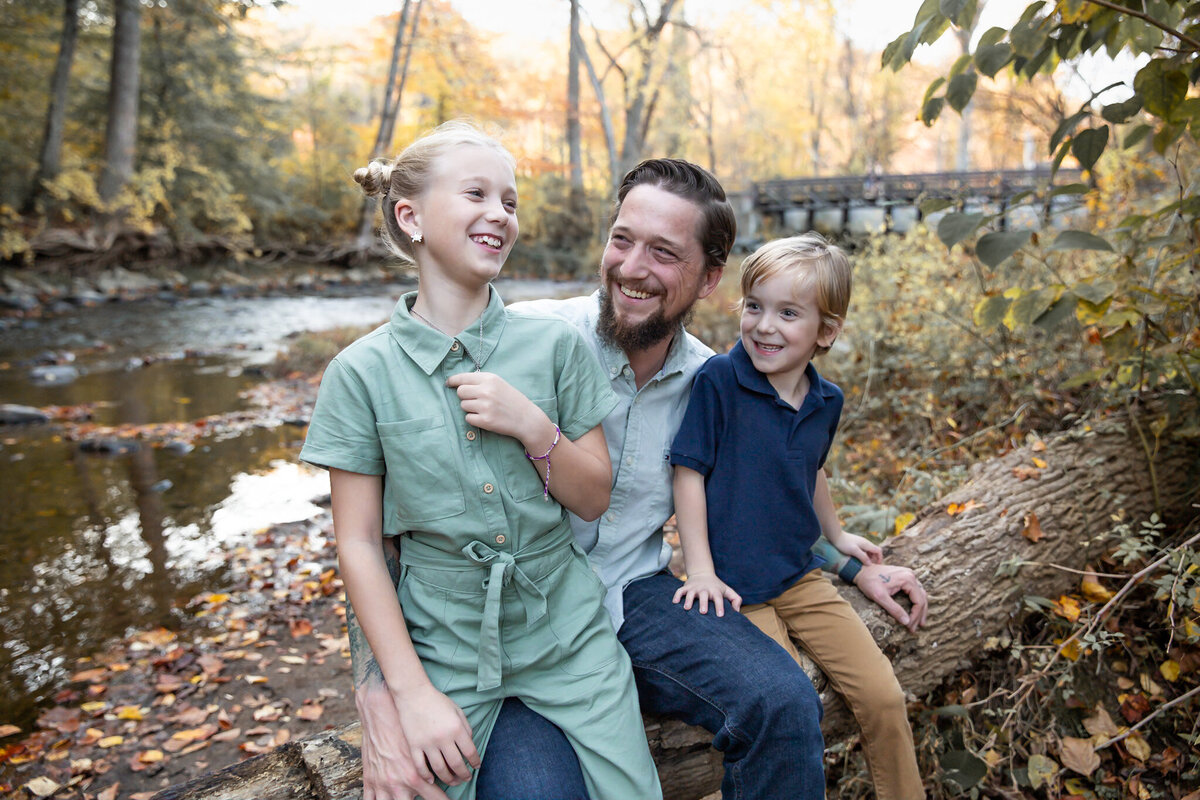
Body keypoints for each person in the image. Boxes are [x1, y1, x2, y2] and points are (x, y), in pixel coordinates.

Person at [349, 157, 930, 800]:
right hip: (512, 622)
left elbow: (771, 500)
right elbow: (382, 528)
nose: (631, 267)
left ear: (710, 278)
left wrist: (851, 566)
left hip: (638, 598)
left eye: (663, 253)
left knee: (782, 701)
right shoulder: (521, 340)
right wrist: (377, 694)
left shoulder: (720, 385)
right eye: (622, 239)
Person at [300, 121, 662, 800]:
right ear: (410, 217)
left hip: (571, 639)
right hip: (445, 653)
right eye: (476, 194)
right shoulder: (359, 373)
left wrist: (533, 426)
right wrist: (406, 694)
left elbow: (593, 497)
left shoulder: (553, 347)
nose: (499, 213)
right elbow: (358, 545)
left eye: (510, 201)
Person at [669, 234, 923, 800]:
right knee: (790, 705)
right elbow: (688, 474)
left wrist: (836, 537)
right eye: (754, 306)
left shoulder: (824, 400)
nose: (763, 326)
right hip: (735, 590)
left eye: (788, 313)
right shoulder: (719, 383)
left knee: (883, 695)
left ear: (825, 332)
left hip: (800, 576)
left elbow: (811, 472)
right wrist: (701, 571)